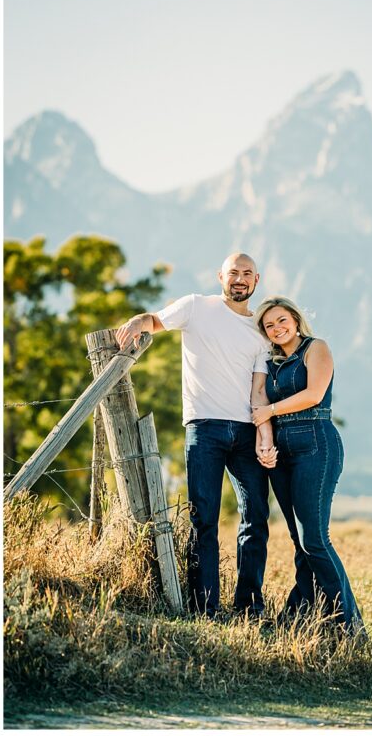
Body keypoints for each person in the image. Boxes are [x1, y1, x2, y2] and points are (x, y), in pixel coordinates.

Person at [116, 252, 276, 619]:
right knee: (204, 518)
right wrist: (136, 322)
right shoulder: (195, 307)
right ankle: (205, 607)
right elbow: (154, 321)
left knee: (256, 516)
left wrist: (263, 435)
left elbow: (259, 391)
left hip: (246, 432)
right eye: (234, 272)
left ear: (256, 280)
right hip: (204, 428)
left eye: (247, 274)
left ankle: (249, 606)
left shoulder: (260, 331)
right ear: (220, 276)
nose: (240, 278)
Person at [250, 296, 364, 637]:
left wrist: (269, 413)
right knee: (299, 541)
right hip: (282, 450)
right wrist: (265, 440)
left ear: (295, 320)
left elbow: (314, 394)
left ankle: (350, 625)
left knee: (314, 538)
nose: (277, 328)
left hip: (316, 441)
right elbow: (257, 401)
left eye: (282, 320)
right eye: (269, 325)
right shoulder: (268, 363)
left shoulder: (316, 348)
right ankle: (301, 620)